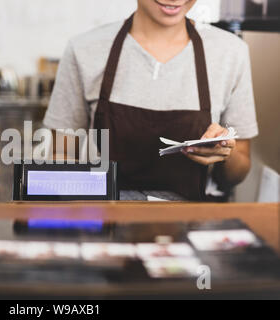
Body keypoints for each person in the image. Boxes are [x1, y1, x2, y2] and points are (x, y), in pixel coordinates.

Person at [43, 0, 258, 201]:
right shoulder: (85, 49)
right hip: (105, 225)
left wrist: (224, 151)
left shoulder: (231, 53)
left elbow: (238, 170)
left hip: (194, 227)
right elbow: (61, 153)